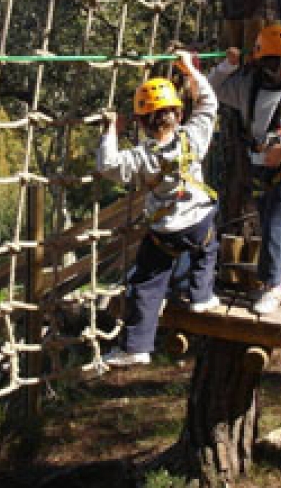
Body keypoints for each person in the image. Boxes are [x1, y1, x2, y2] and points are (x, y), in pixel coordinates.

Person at [97, 50, 219, 368]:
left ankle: (136, 345)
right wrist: (191, 72)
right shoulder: (193, 137)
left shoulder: (141, 157)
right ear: (178, 115)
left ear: (140, 122)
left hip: (166, 231)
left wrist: (111, 129)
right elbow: (208, 105)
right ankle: (201, 297)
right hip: (200, 221)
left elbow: (107, 165)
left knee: (147, 281)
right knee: (207, 248)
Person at [208, 25, 281, 315]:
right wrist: (227, 66)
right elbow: (214, 88)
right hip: (260, 170)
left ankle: (271, 286)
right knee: (269, 227)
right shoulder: (248, 88)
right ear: (271, 65)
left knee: (276, 229)